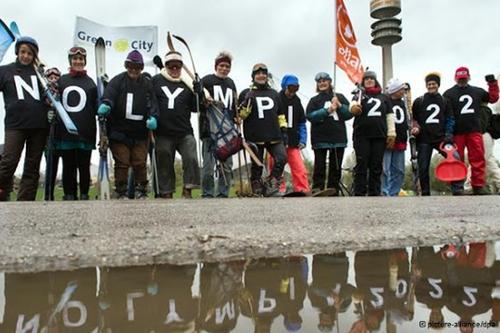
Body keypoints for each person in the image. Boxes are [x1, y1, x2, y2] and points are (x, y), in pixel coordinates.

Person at [98, 50, 158, 199]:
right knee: (122, 162)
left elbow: (153, 104)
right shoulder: (117, 81)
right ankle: (121, 191)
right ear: (126, 66)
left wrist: (154, 118)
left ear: (141, 68)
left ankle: (141, 190)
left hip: (140, 133)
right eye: (131, 66)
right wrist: (107, 104)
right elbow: (109, 95)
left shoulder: (147, 84)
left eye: (137, 67)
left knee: (140, 163)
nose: (133, 70)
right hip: (119, 131)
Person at [0, 36, 49, 201]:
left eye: (29, 53)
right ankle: (2, 193)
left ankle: (25, 202)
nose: (26, 56)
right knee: (9, 161)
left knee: (32, 166)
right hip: (15, 125)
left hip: (39, 126)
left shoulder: (40, 74)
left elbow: (49, 97)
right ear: (17, 52)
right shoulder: (5, 71)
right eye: (23, 52)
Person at [152, 51, 201, 199]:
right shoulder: (156, 80)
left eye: (177, 67)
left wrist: (198, 93)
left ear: (181, 67)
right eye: (171, 66)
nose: (174, 69)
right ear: (166, 66)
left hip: (184, 131)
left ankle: (188, 189)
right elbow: (149, 98)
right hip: (163, 131)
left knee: (191, 157)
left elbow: (195, 107)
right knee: (164, 160)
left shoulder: (187, 83)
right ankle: (166, 192)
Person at [443, 67, 499, 195]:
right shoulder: (448, 94)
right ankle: (457, 187)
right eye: (460, 78)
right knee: (457, 160)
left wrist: (492, 84)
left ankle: (478, 185)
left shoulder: (477, 91)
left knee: (478, 157)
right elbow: (445, 114)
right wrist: (447, 132)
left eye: (464, 78)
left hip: (474, 130)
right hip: (457, 132)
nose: (462, 81)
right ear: (455, 78)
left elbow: (493, 98)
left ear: (469, 77)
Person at [238, 63, 287, 197]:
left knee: (282, 158)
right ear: (253, 76)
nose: (261, 75)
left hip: (274, 135)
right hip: (254, 136)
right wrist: (245, 105)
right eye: (258, 73)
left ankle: (272, 184)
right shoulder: (246, 93)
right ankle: (257, 188)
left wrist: (284, 131)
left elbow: (281, 114)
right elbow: (240, 116)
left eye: (263, 73)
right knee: (257, 165)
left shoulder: (275, 94)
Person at [54, 46, 97, 200]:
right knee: (68, 165)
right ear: (70, 61)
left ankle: (84, 194)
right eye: (75, 59)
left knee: (84, 165)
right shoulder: (62, 80)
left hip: (85, 130)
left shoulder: (91, 82)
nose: (78, 61)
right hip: (65, 131)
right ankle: (69, 194)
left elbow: (96, 106)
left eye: (81, 59)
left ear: (84, 61)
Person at [350, 70, 395, 196]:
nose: (369, 80)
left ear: (375, 81)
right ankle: (359, 192)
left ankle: (375, 192)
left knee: (376, 165)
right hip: (361, 135)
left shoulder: (384, 97)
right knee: (362, 163)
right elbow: (353, 105)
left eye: (371, 79)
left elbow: (390, 116)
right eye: (366, 79)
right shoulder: (359, 95)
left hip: (379, 135)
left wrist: (391, 133)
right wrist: (353, 108)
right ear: (363, 82)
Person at [306, 72, 351, 196]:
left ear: (330, 82)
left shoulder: (340, 97)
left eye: (324, 81)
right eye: (319, 82)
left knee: (335, 167)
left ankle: (333, 189)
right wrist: (327, 110)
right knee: (319, 166)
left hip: (338, 137)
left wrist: (340, 106)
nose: (322, 83)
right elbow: (310, 116)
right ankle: (318, 188)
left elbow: (349, 114)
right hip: (320, 138)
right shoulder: (314, 100)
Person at [200, 51, 236, 198]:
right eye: (222, 65)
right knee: (208, 165)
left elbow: (234, 104)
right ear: (216, 66)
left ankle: (223, 193)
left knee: (226, 165)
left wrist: (236, 117)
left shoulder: (231, 83)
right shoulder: (206, 80)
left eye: (227, 66)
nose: (224, 68)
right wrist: (203, 100)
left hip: (227, 132)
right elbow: (198, 102)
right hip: (209, 129)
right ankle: (207, 193)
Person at [411, 72, 454, 196]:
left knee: (455, 158)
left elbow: (450, 119)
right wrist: (416, 128)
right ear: (426, 86)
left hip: (441, 138)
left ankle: (457, 188)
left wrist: (449, 134)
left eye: (433, 84)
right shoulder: (419, 101)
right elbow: (414, 120)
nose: (431, 86)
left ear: (438, 85)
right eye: (429, 84)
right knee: (423, 167)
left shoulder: (445, 101)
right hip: (424, 139)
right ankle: (425, 192)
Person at [275, 74, 310, 195]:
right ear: (285, 86)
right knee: (276, 166)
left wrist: (303, 139)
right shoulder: (276, 98)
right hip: (276, 141)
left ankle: (302, 189)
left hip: (293, 141)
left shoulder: (297, 101)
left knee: (299, 168)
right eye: (290, 88)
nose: (292, 92)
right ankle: (278, 189)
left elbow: (302, 122)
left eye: (296, 89)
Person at [382, 78, 408, 196]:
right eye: (401, 89)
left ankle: (394, 192)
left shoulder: (404, 103)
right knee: (385, 169)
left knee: (399, 170)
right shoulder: (385, 102)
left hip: (401, 139)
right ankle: (384, 191)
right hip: (388, 139)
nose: (403, 91)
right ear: (395, 90)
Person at [44, 67, 62, 201]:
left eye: (56, 78)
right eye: (51, 77)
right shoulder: (44, 92)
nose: (53, 80)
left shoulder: (61, 92)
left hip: (61, 132)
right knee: (50, 163)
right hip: (48, 132)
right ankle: (48, 194)